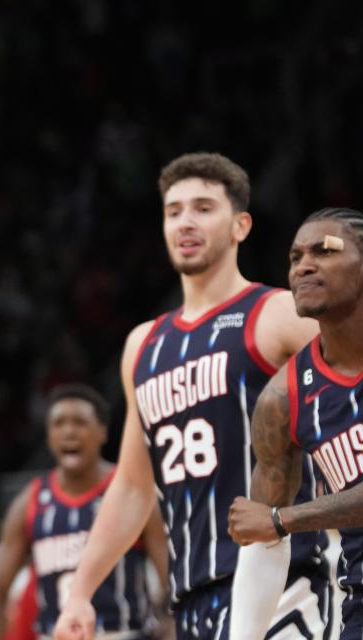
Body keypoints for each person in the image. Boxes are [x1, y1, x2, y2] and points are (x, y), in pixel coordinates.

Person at [54, 153, 330, 640]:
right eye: (174, 210)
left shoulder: (279, 312)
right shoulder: (143, 345)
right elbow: (135, 487)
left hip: (286, 582)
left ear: (240, 225)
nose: (186, 221)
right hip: (192, 600)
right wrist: (80, 593)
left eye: (204, 207)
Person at [228, 208, 363, 638]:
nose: (303, 265)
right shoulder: (282, 399)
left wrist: (284, 518)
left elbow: (273, 520)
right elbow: (260, 539)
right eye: (295, 256)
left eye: (324, 250)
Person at [0, 384, 170, 640]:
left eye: (80, 422)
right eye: (59, 423)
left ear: (102, 432)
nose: (69, 431)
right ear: (48, 435)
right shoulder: (30, 501)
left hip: (124, 633)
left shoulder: (133, 491)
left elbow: (172, 580)